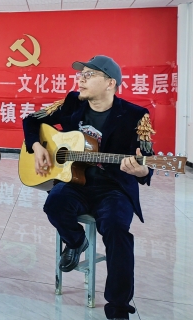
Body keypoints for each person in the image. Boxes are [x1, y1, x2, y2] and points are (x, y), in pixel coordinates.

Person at [22, 55, 154, 320]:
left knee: (117, 230)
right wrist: (37, 146)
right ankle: (76, 241)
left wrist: (141, 170)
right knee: (54, 204)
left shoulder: (136, 116)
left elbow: (147, 161)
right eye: (80, 75)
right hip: (75, 181)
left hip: (113, 188)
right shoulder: (72, 102)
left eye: (89, 75)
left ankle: (118, 308)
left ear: (110, 83)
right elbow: (31, 120)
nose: (80, 80)